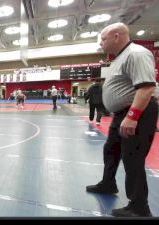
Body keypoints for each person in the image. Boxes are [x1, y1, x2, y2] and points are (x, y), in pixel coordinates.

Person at [86, 22, 158, 217]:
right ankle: (108, 183)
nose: (101, 43)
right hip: (122, 113)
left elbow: (146, 88)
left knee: (132, 159)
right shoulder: (120, 57)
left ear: (117, 36)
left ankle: (139, 207)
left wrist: (133, 116)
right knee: (111, 149)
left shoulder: (136, 53)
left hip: (136, 113)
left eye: (103, 38)